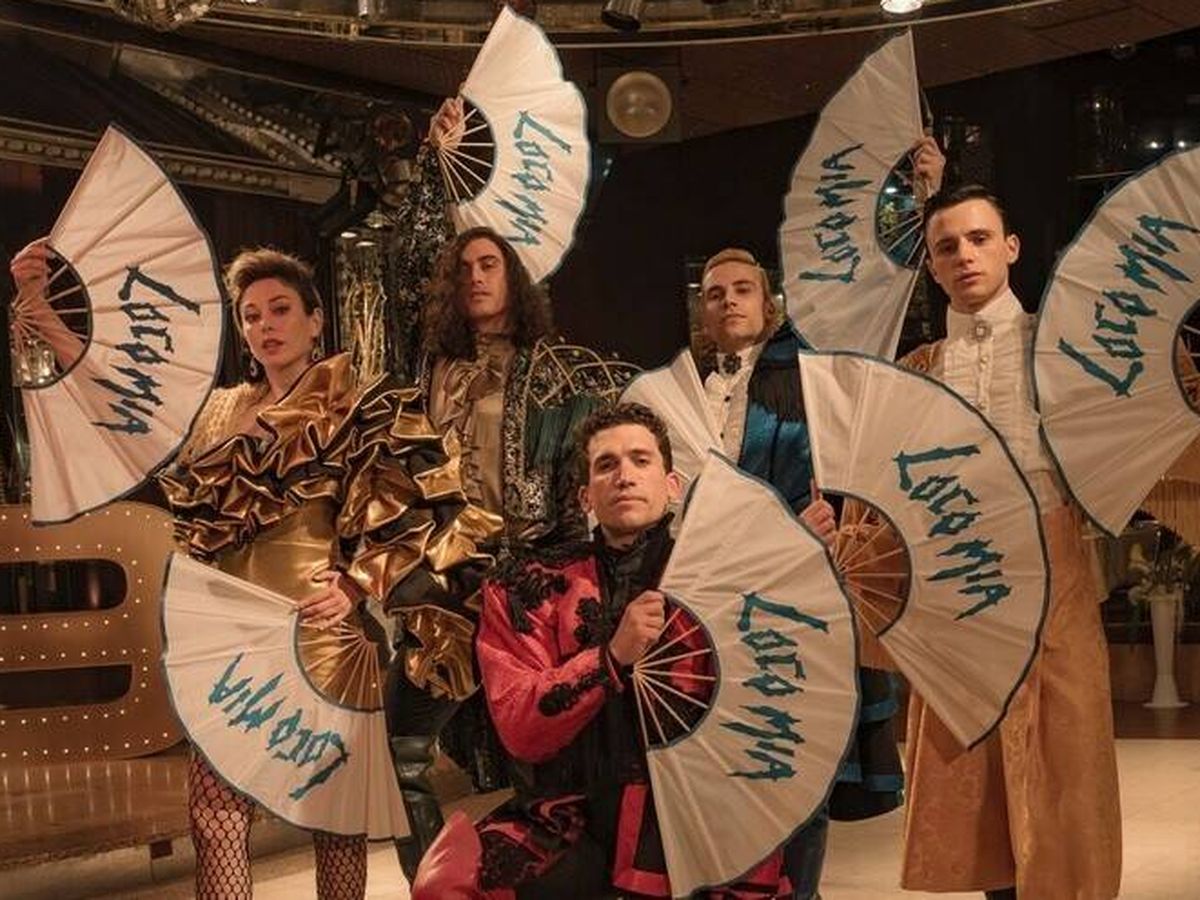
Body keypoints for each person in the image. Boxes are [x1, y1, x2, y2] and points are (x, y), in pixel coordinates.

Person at [8, 242, 491, 899]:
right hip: (229, 634)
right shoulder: (217, 410)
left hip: (319, 638)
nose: (266, 325)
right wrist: (41, 309)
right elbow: (126, 406)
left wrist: (356, 583)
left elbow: (418, 501)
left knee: (333, 823)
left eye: (280, 309)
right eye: (251, 315)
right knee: (215, 814)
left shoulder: (361, 403)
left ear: (316, 321)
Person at [382, 95, 638, 863]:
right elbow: (404, 261)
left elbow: (596, 475)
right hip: (442, 586)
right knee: (399, 755)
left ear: (514, 278)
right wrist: (435, 165)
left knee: (540, 765)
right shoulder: (430, 366)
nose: (474, 277)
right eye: (462, 268)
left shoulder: (557, 372)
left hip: (525, 587)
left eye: (488, 264)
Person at [409, 401, 789, 898]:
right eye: (606, 465)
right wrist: (609, 658)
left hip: (696, 806)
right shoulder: (530, 586)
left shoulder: (721, 581)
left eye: (640, 460)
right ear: (586, 496)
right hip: (570, 812)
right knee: (447, 885)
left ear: (672, 485)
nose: (624, 476)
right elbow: (520, 725)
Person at [897, 184, 1122, 899]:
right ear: (933, 267)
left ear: (1011, 247)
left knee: (1063, 759)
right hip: (959, 577)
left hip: (1056, 572)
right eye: (947, 247)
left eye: (979, 239)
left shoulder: (1064, 349)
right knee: (978, 769)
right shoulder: (919, 371)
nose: (965, 255)